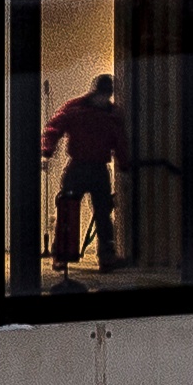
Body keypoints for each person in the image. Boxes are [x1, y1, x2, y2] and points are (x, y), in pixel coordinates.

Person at [44, 71, 131, 273]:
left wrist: (124, 164)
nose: (105, 98)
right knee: (68, 211)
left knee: (101, 213)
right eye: (104, 94)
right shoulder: (91, 111)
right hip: (82, 167)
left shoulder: (100, 113)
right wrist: (47, 148)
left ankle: (103, 258)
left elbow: (120, 143)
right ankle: (62, 256)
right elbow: (54, 128)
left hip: (93, 168)